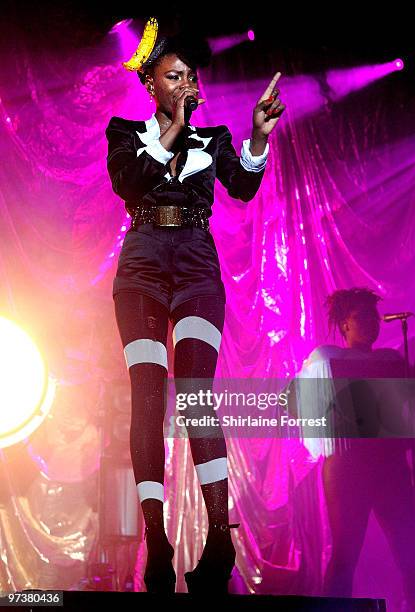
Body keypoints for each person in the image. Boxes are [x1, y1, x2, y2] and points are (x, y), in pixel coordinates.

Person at [105, 20, 285, 595]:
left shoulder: (215, 141)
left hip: (197, 265)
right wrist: (169, 133)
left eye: (191, 77)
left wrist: (257, 138)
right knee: (148, 391)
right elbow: (128, 182)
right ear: (152, 86)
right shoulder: (125, 133)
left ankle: (219, 537)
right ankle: (155, 540)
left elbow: (244, 186)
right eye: (173, 76)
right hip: (142, 265)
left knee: (196, 391)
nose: (186, 84)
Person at [298, 288, 415, 606]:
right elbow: (302, 406)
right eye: (361, 316)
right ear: (344, 325)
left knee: (410, 550)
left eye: (373, 315)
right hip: (348, 468)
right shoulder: (327, 358)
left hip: (390, 467)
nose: (371, 322)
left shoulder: (392, 360)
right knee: (346, 552)